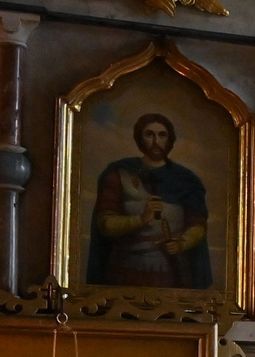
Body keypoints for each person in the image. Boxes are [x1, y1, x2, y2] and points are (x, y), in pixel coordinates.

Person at [89, 111, 212, 289]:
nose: (156, 142)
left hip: (173, 273)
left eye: (162, 135)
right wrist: (141, 218)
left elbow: (198, 225)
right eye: (149, 134)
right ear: (139, 138)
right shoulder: (119, 174)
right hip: (126, 271)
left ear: (170, 140)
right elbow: (105, 224)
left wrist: (182, 243)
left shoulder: (186, 180)